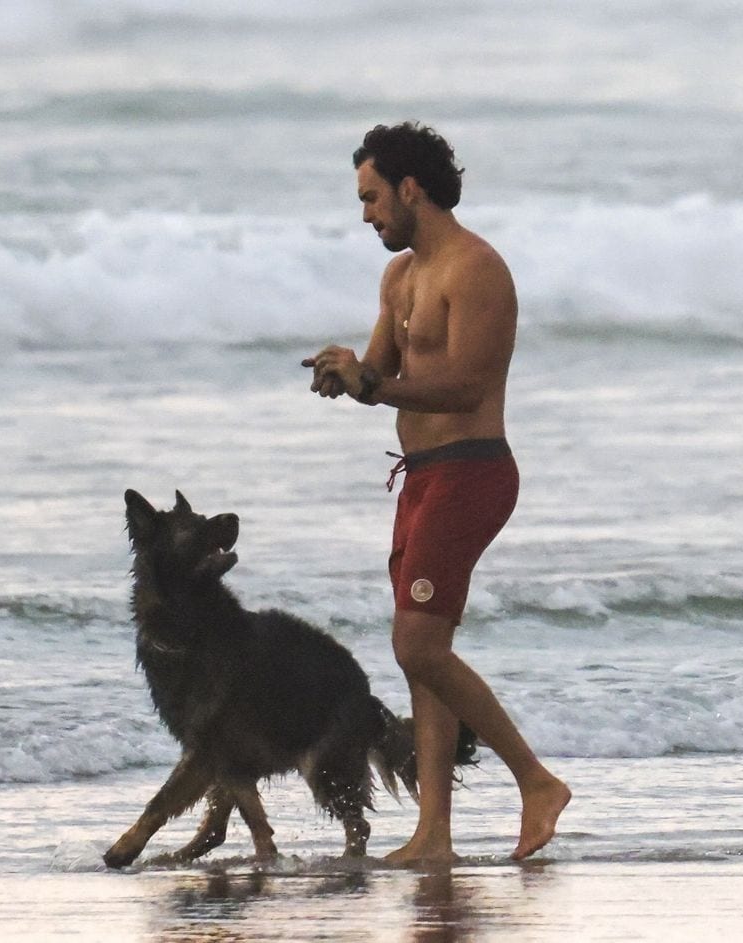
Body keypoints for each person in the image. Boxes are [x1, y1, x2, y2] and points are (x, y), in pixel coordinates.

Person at [303, 122, 570, 864]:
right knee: (421, 653)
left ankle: (537, 781)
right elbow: (384, 381)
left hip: (473, 472)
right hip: (421, 478)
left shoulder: (477, 269)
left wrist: (375, 381)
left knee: (417, 642)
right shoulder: (400, 279)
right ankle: (434, 835)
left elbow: (465, 384)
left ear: (409, 188)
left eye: (372, 198)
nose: (366, 215)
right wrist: (349, 372)